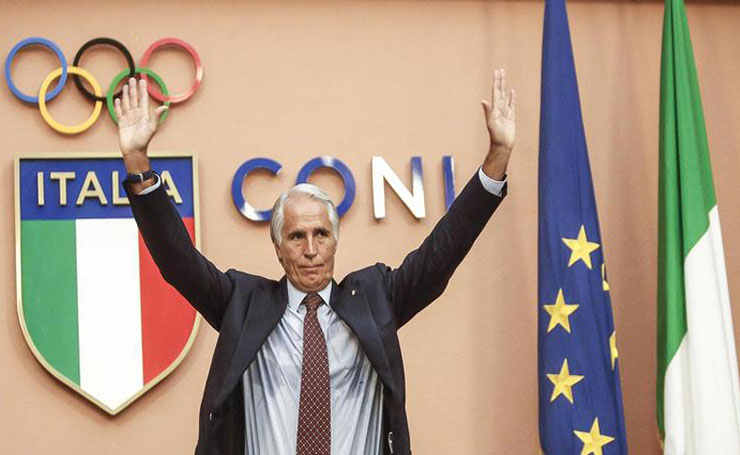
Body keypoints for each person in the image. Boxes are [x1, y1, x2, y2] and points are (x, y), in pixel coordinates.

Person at [115, 69, 515, 455]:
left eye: (320, 234)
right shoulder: (244, 304)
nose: (310, 249)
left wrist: (497, 156)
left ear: (335, 241)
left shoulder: (375, 299)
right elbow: (177, 262)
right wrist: (137, 162)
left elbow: (441, 254)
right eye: (296, 236)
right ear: (278, 246)